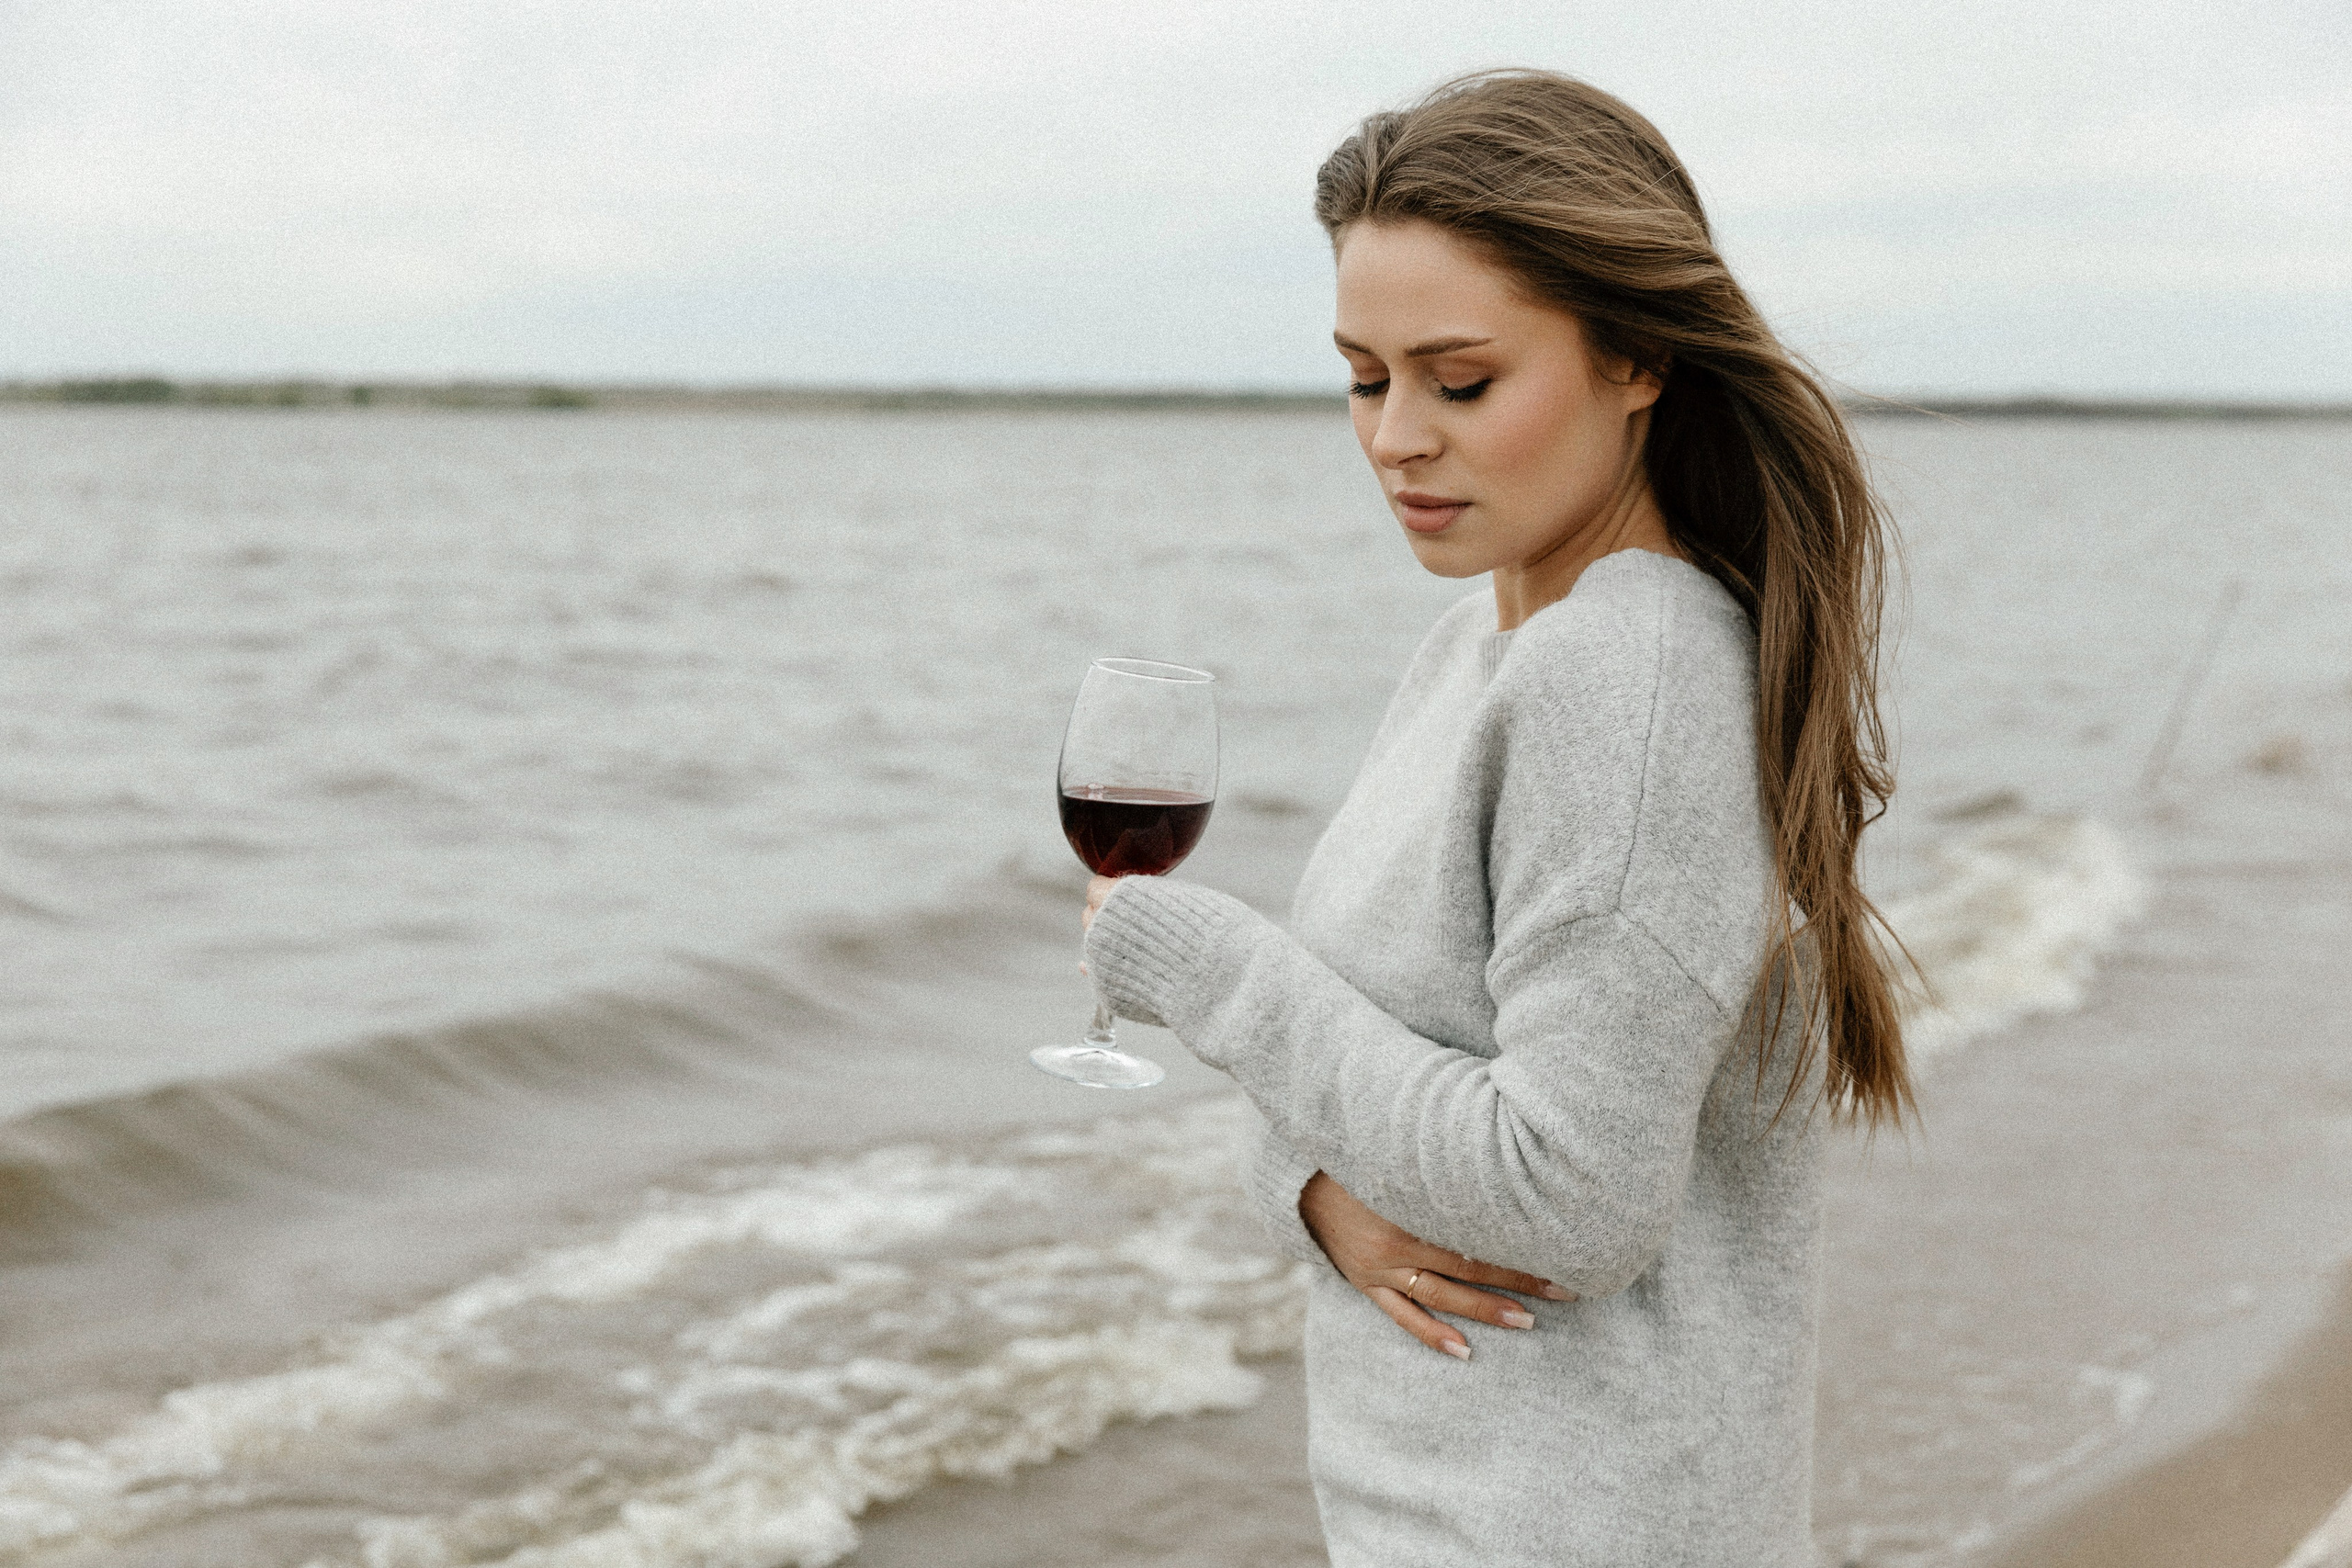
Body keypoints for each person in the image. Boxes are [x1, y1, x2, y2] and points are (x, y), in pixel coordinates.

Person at [1079, 69, 1910, 1567]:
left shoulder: (1628, 680)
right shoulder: (1486, 644)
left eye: (1459, 382)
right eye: (1362, 376)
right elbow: (1383, 1069)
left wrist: (1210, 971)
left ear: (1639, 358)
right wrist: (1320, 1195)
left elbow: (1572, 1197)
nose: (1397, 436)